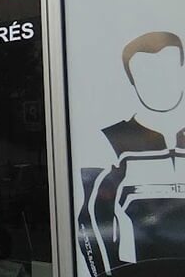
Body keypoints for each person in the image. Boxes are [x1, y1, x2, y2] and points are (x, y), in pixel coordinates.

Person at [78, 32, 185, 276]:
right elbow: (91, 222)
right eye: (147, 74)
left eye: (167, 69)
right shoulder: (109, 141)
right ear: (132, 81)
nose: (159, 83)